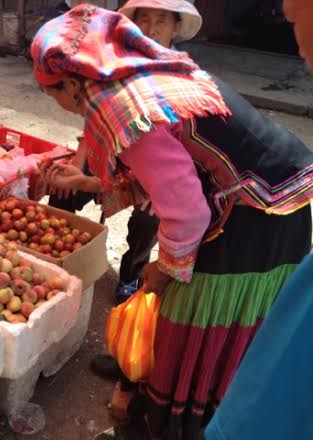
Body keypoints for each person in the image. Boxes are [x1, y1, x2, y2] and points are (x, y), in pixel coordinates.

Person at [32, 5, 313, 439]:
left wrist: (164, 269)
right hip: (248, 197)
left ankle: (172, 420)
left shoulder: (123, 107)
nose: (55, 101)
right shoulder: (138, 77)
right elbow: (165, 173)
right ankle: (146, 376)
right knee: (178, 305)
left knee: (190, 305)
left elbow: (186, 210)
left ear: (71, 81)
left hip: (260, 214)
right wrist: (89, 181)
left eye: (50, 91)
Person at [203, 1, 313, 438]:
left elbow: (183, 207)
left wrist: (169, 265)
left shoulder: (156, 93)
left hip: (269, 203)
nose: (285, 7)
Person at [49, 0, 203, 303]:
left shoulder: (180, 74)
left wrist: (158, 195)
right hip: (113, 153)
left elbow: (184, 153)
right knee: (63, 190)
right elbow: (92, 120)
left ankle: (131, 275)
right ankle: (55, 253)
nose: (151, 29)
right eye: (143, 20)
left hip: (162, 168)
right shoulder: (115, 64)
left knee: (147, 221)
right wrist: (80, 166)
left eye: (161, 21)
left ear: (175, 28)